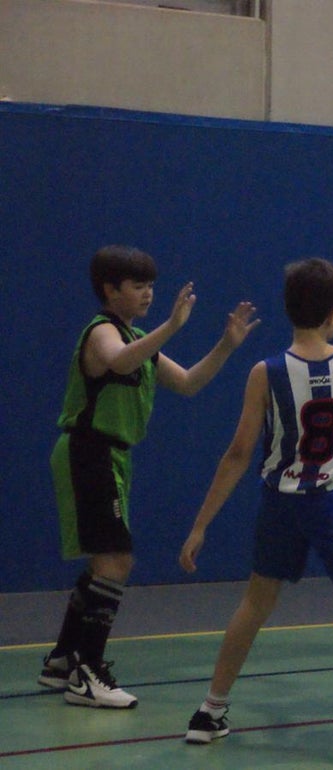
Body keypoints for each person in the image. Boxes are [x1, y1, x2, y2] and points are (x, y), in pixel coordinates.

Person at [178, 259, 333, 767]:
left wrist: (201, 524)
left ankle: (209, 710)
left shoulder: (264, 373)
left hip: (282, 502)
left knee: (255, 604)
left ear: (289, 310)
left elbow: (240, 453)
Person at [41, 245, 258, 709]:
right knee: (116, 560)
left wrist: (225, 344)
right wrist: (172, 327)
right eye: (137, 286)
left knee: (104, 560)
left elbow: (190, 382)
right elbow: (118, 361)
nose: (148, 294)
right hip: (88, 451)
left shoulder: (139, 340)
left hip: (112, 456)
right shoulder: (103, 333)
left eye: (151, 286)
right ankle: (87, 674)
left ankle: (63, 660)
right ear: (110, 289)